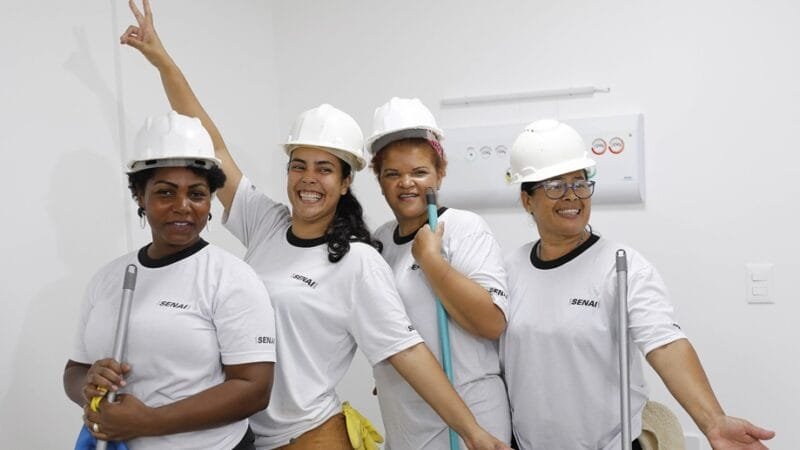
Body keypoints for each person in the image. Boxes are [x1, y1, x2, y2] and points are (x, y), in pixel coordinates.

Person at [119, 2, 512, 449]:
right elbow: (214, 147)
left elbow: (408, 352)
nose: (309, 179)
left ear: (346, 182)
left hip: (309, 437)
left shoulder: (358, 261)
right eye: (298, 165)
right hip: (245, 433)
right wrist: (162, 60)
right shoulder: (267, 225)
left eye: (325, 169)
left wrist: (473, 431)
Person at [501, 119, 775, 449]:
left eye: (580, 183)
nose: (572, 196)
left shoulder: (622, 266)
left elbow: (665, 343)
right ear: (527, 199)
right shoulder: (511, 269)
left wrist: (713, 421)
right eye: (555, 186)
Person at [63, 110, 277, 450]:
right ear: (140, 196)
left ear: (210, 201)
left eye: (197, 193)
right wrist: (88, 385)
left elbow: (253, 389)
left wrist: (149, 421)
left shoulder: (231, 277)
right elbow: (75, 369)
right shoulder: (107, 278)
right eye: (165, 193)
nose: (183, 206)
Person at [365, 98, 511, 449]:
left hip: (471, 417)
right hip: (405, 417)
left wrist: (432, 262)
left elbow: (491, 323)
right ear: (379, 180)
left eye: (419, 172)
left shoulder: (462, 228)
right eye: (392, 174)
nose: (406, 184)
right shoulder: (379, 242)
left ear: (440, 172)